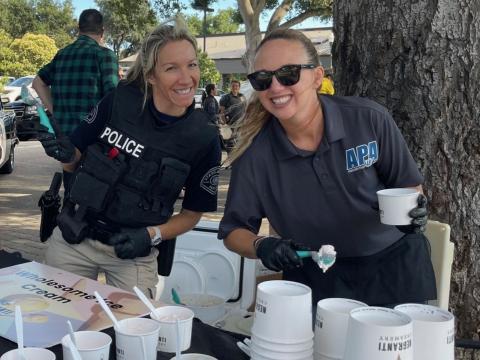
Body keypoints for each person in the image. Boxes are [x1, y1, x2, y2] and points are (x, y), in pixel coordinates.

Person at [218, 28, 435, 307]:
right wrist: (262, 245)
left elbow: (408, 185)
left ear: (317, 77)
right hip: (315, 274)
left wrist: (414, 212)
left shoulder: (368, 120)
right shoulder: (255, 155)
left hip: (395, 265)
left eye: (288, 74)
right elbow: (234, 232)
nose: (275, 87)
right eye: (262, 79)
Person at [37, 18, 222, 298]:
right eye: (171, 68)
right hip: (74, 238)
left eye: (192, 64)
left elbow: (191, 214)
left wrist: (151, 235)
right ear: (151, 75)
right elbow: (73, 160)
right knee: (55, 324)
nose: (186, 78)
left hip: (133, 253)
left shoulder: (204, 137)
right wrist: (64, 154)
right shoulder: (119, 100)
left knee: (134, 335)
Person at [32, 9, 119, 136]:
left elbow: (37, 83)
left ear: (79, 30)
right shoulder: (105, 55)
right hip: (92, 139)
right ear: (102, 31)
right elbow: (113, 97)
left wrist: (55, 112)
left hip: (64, 139)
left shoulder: (62, 54)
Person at [219, 80, 247, 152]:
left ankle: (237, 154)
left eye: (237, 86)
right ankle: (230, 155)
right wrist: (224, 122)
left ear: (239, 87)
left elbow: (245, 108)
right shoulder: (226, 97)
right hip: (232, 123)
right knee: (231, 141)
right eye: (233, 86)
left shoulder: (242, 96)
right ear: (230, 87)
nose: (235, 87)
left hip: (241, 122)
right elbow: (222, 111)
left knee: (240, 140)